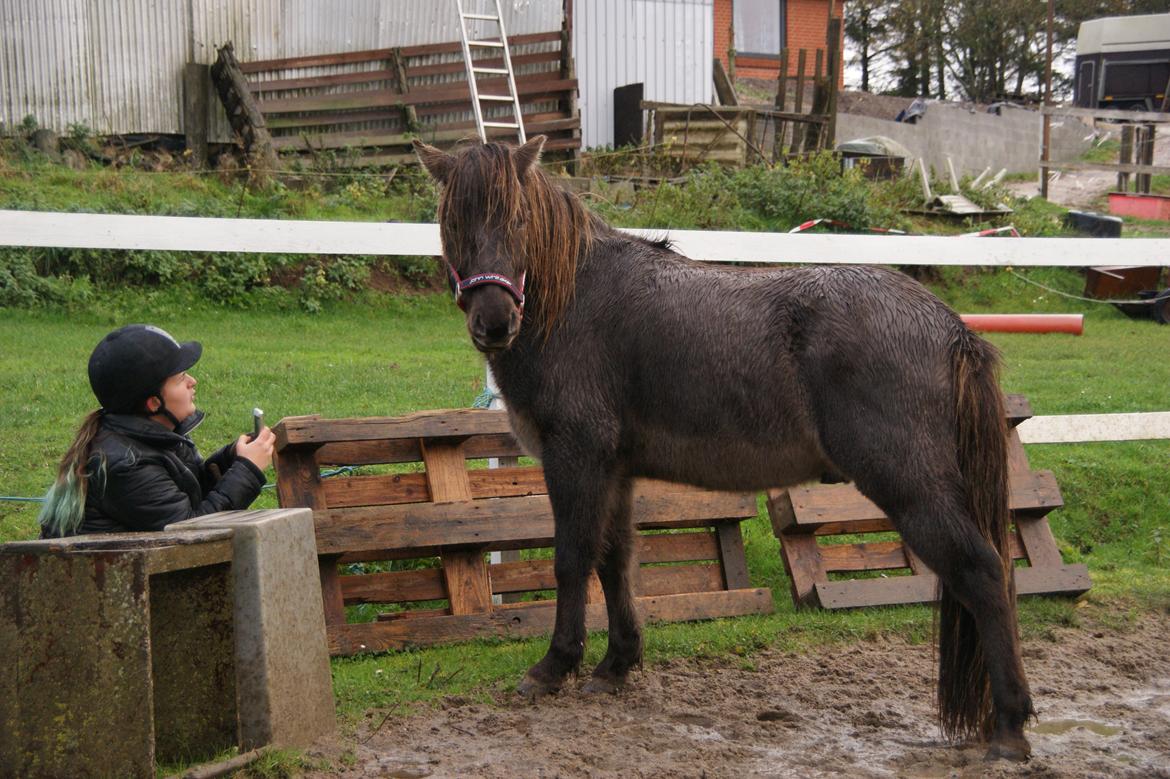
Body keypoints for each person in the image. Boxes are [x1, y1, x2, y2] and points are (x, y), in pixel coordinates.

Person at [38, 324, 276, 538]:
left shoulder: (157, 436)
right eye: (181, 377)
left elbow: (183, 496)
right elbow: (191, 530)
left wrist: (232, 457)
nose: (192, 381)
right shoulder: (126, 465)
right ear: (153, 403)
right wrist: (247, 470)